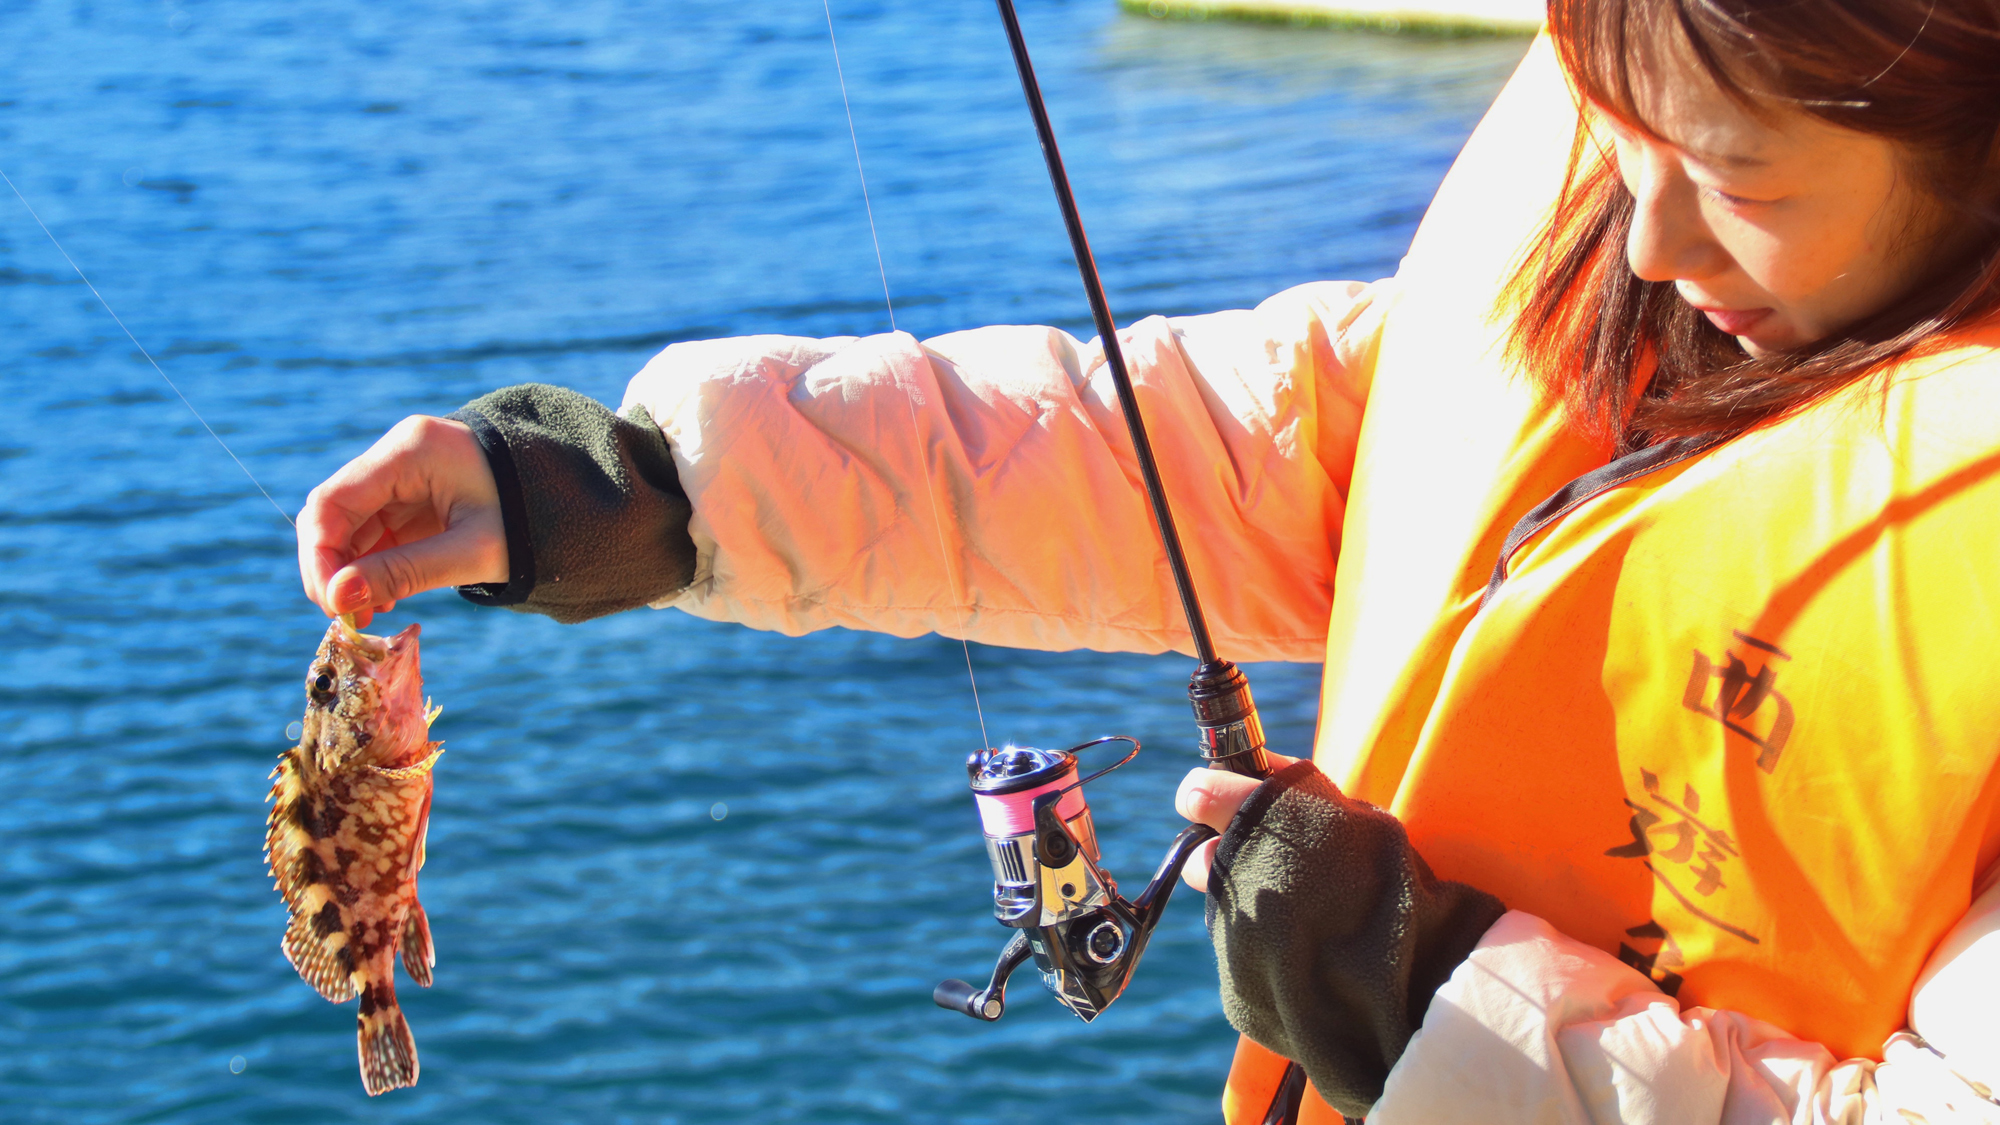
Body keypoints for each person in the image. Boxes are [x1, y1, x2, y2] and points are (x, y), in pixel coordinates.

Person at [296, 0, 2000, 1120]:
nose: (1642, 235)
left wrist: (1429, 1004)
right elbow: (1239, 448)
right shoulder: (1658, 242)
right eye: (1616, 133)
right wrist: (656, 492)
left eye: (1737, 177)